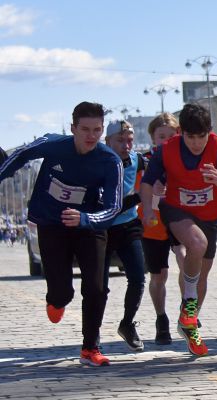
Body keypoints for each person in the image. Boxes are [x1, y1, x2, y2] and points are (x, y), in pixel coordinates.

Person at [0, 102, 123, 366]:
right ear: (73, 128)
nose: (91, 136)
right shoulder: (53, 144)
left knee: (96, 287)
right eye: (85, 129)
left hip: (88, 225)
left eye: (97, 130)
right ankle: (56, 299)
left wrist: (87, 218)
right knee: (61, 292)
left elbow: (113, 207)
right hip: (51, 223)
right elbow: (20, 155)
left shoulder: (109, 160)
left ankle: (91, 347)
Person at [140, 103, 217, 356]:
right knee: (196, 244)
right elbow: (147, 183)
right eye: (190, 137)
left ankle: (189, 323)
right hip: (176, 209)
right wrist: (149, 209)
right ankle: (188, 305)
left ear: (210, 131)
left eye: (201, 136)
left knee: (203, 273)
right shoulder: (166, 150)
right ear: (180, 133)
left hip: (209, 215)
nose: (196, 143)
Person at [137, 113, 187, 346]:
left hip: (178, 219)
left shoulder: (185, 158)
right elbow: (138, 191)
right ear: (153, 137)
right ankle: (161, 318)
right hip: (153, 225)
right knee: (159, 275)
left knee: (186, 261)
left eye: (172, 135)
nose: (167, 140)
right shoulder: (144, 161)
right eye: (161, 136)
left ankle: (187, 310)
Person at [102, 120, 146, 352]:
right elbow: (110, 205)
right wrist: (139, 197)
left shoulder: (137, 160)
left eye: (129, 140)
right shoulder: (98, 160)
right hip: (101, 227)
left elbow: (159, 167)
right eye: (120, 140)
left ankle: (127, 324)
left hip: (128, 224)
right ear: (107, 141)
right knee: (98, 287)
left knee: (138, 278)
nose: (125, 145)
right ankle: (92, 333)